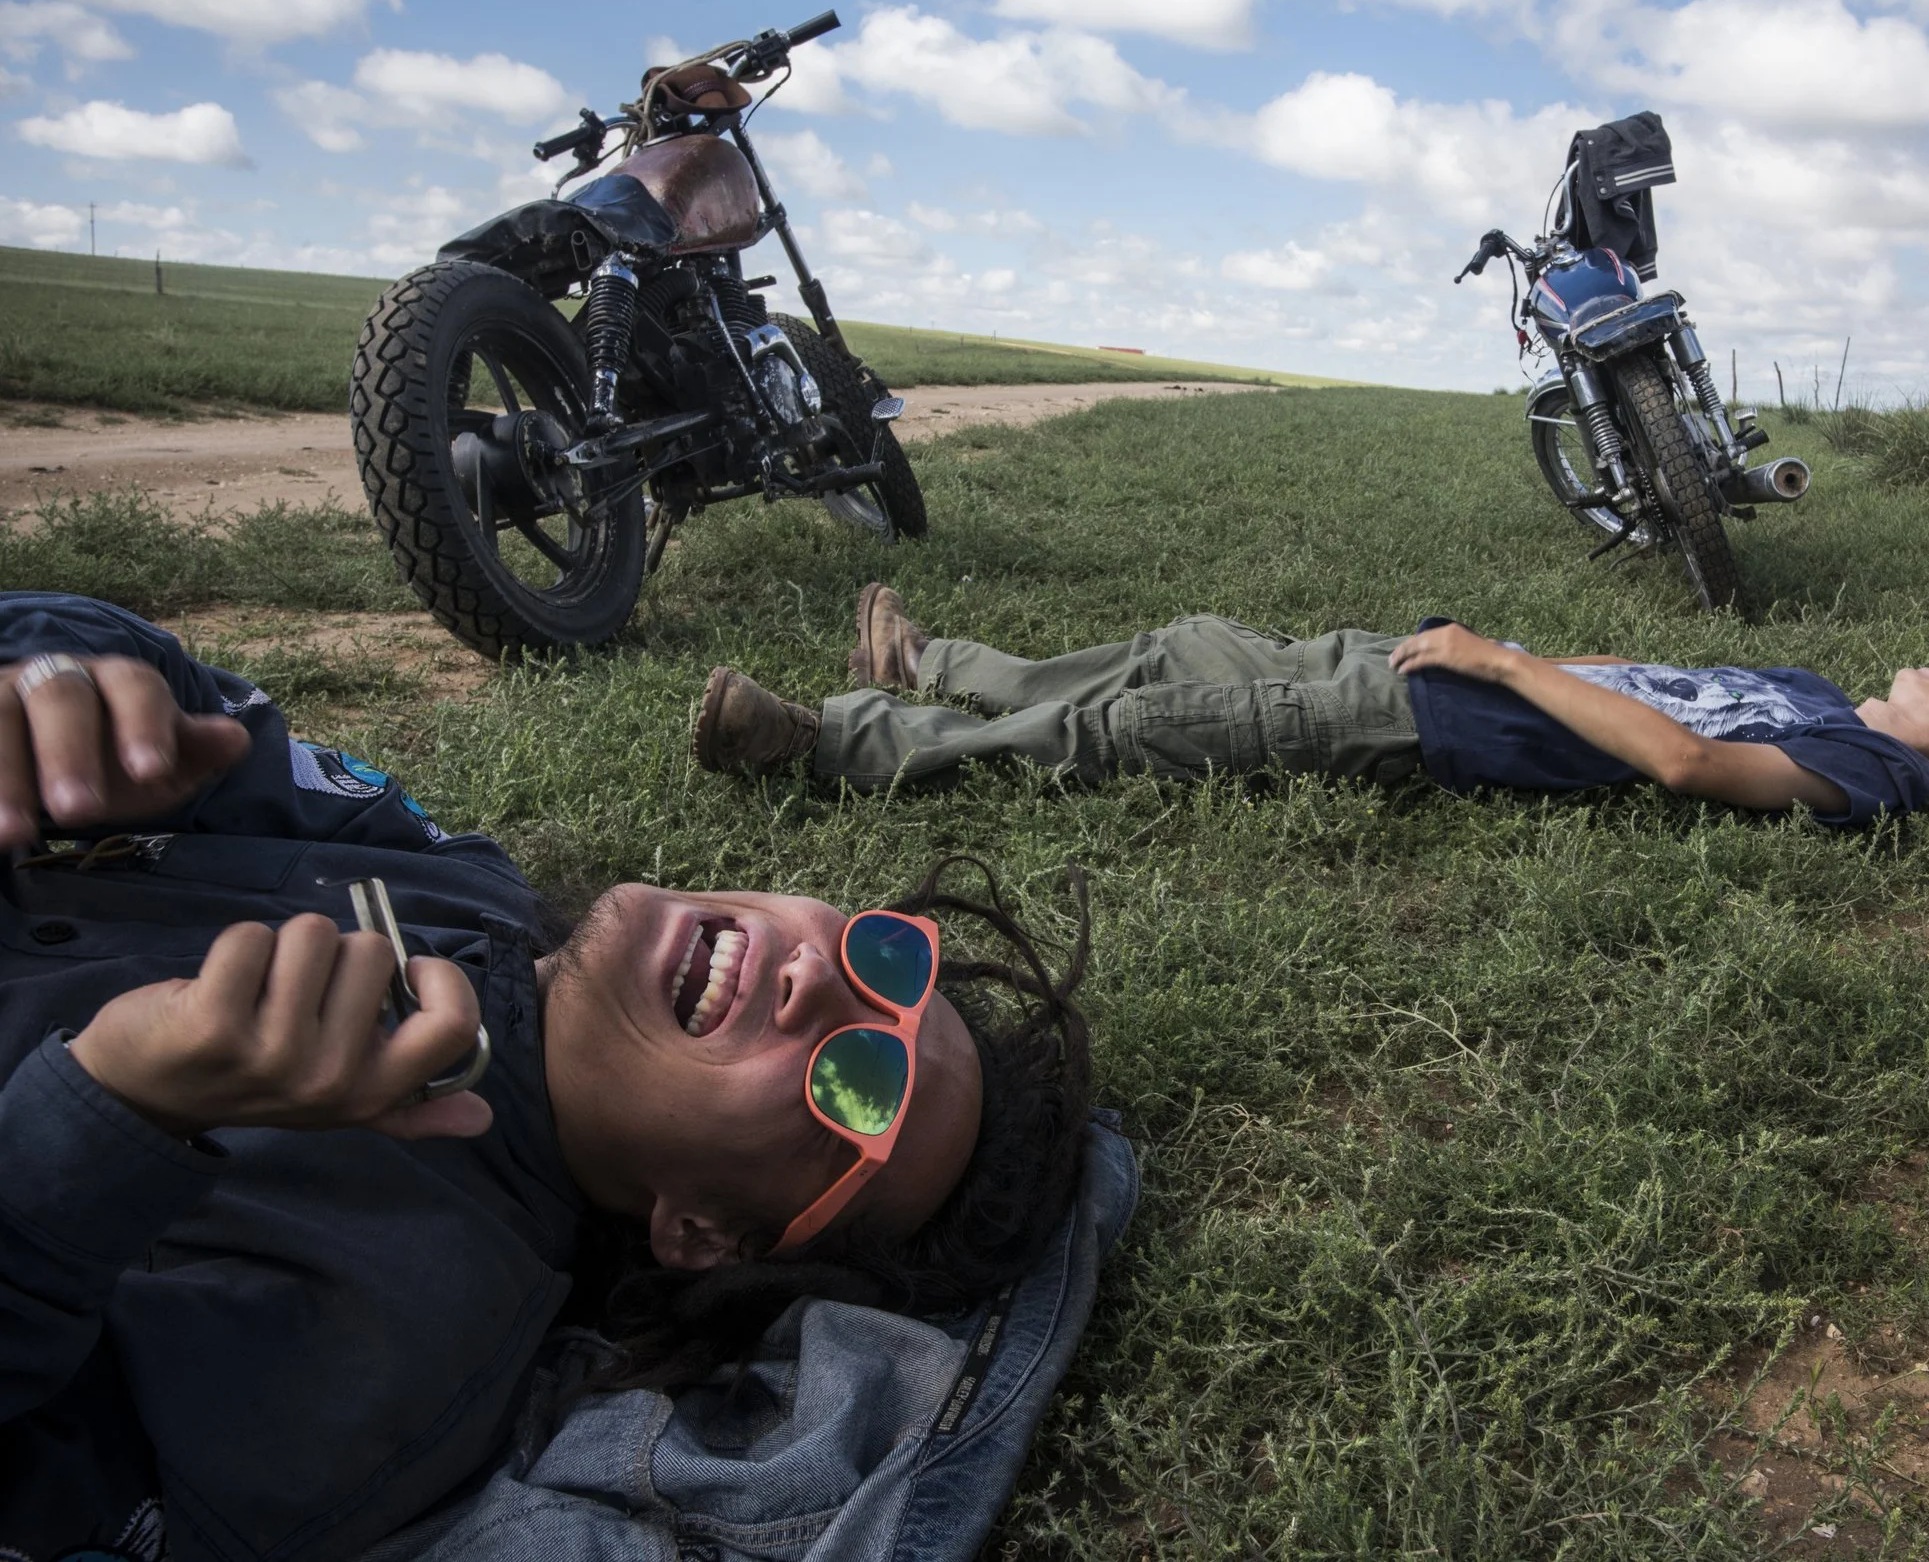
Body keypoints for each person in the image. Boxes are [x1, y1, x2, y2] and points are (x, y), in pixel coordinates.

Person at [0, 593, 1118, 1562]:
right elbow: (211, 718)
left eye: (856, 1086)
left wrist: (110, 1115)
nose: (816, 973)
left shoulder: (386, 1356)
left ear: (708, 1234)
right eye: (886, 961)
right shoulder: (458, 878)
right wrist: (61, 674)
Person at [692, 585, 1929, 825]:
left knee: (1124, 733)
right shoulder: (1824, 688)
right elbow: (1644, 680)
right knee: (1167, 651)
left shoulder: (1865, 775)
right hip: (1421, 664)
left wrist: (1506, 667)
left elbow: (1693, 764)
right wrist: (1478, 642)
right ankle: (931, 667)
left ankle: (829, 744)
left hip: (1424, 722)